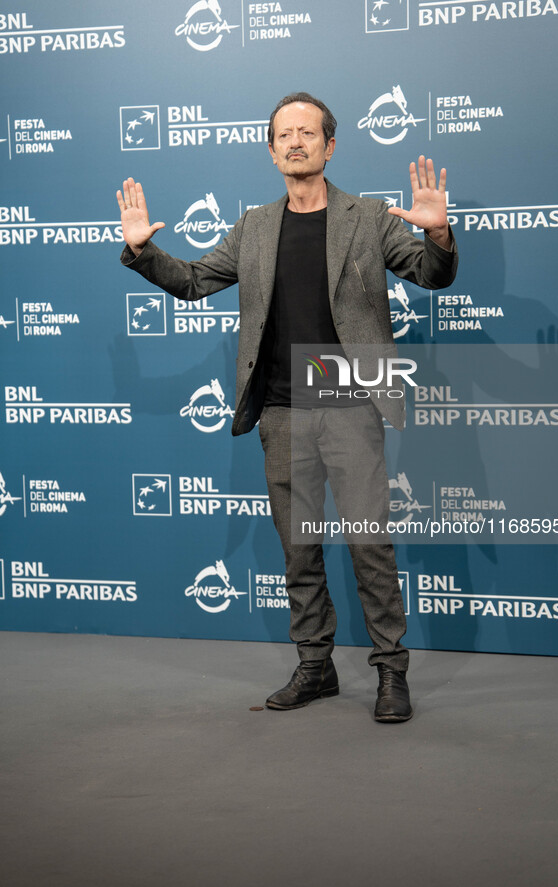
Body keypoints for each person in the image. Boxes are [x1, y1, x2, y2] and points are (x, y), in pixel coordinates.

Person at [117, 92, 458, 722]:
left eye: (308, 132)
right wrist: (143, 251)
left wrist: (436, 233)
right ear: (271, 150)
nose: (295, 142)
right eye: (284, 134)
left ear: (330, 147)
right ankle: (315, 665)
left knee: (369, 545)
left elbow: (431, 274)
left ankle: (390, 671)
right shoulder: (254, 226)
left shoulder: (370, 217)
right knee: (298, 548)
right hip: (281, 409)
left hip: (349, 399)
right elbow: (193, 282)